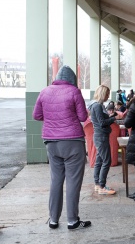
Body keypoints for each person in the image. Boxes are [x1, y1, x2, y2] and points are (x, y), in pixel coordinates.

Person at [32, 65, 91, 230]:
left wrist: (52, 119)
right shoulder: (74, 91)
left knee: (56, 180)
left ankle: (53, 220)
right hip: (72, 142)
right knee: (73, 181)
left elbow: (36, 115)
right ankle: (72, 220)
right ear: (72, 79)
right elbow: (83, 116)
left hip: (51, 142)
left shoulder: (45, 91)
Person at [88, 85, 118, 195]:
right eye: (107, 94)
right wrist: (114, 118)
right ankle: (101, 186)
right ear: (102, 94)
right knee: (106, 161)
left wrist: (112, 115)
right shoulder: (97, 106)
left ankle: (98, 184)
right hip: (101, 137)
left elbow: (102, 120)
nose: (108, 96)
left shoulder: (97, 105)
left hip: (100, 136)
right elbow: (102, 123)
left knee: (99, 160)